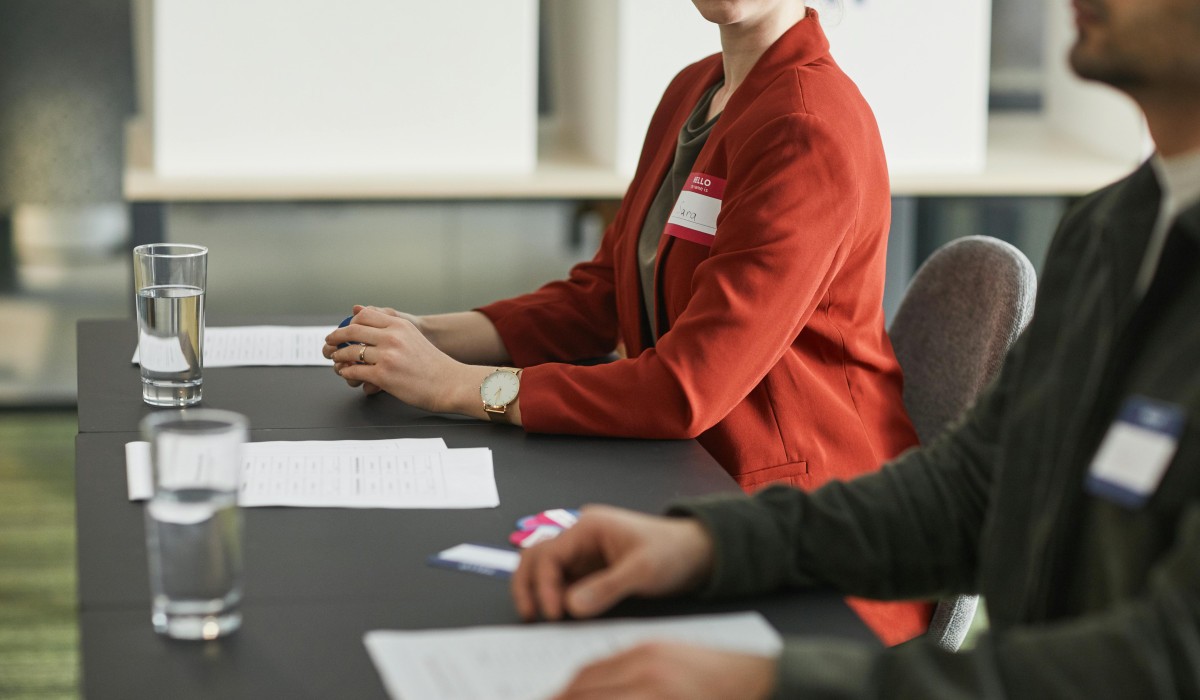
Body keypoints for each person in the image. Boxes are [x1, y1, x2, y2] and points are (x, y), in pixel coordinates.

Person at [510, 0, 1200, 696]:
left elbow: (1162, 663)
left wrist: (769, 683)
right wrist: (708, 544)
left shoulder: (810, 118)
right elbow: (972, 492)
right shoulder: (1111, 230)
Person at [326, 0, 928, 644]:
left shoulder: (809, 128)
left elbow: (684, 389)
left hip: (809, 547)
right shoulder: (694, 92)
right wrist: (424, 338)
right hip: (684, 485)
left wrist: (456, 386)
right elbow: (602, 295)